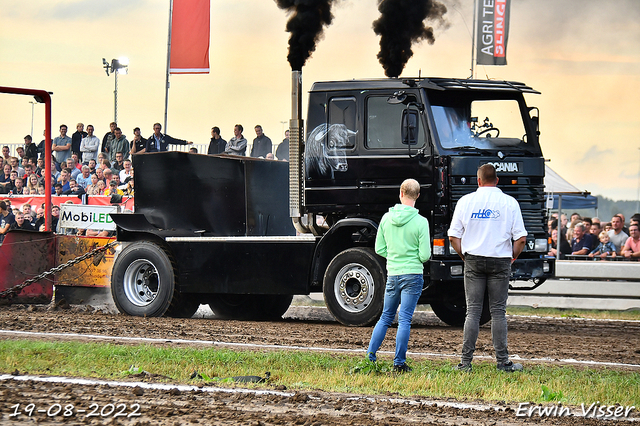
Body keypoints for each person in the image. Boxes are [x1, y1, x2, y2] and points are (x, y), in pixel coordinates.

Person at [448, 164, 527, 373]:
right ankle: (502, 362)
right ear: (497, 180)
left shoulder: (466, 201)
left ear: (479, 180)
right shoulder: (510, 203)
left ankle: (465, 362)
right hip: (500, 260)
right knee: (498, 312)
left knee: (472, 312)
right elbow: (521, 238)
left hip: (473, 259)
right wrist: (512, 257)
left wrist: (463, 255)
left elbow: (453, 236)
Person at [366, 179, 431, 373]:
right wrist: (411, 257)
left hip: (393, 274)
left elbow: (379, 248)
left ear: (400, 194)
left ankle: (370, 356)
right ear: (418, 196)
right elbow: (425, 255)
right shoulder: (421, 222)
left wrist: (394, 256)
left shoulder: (386, 218)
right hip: (412, 275)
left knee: (385, 317)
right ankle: (399, 363)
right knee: (404, 319)